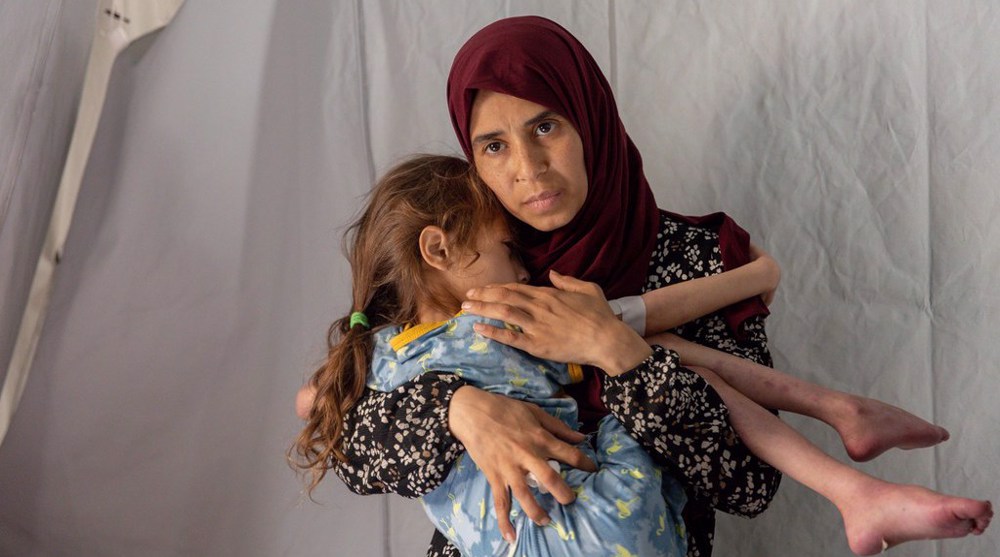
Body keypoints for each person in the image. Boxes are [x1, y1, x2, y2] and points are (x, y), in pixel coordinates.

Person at [321, 16, 985, 557]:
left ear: (591, 119)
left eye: (546, 126)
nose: (527, 168)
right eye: (493, 145)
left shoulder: (697, 258)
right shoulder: (474, 262)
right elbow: (348, 445)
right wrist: (459, 408)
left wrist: (624, 359)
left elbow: (749, 484)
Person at [294, 154, 689, 556]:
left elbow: (309, 401)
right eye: (508, 249)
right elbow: (629, 318)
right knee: (650, 390)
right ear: (438, 249)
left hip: (517, 545)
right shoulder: (493, 323)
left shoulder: (381, 354)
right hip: (605, 518)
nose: (523, 273)